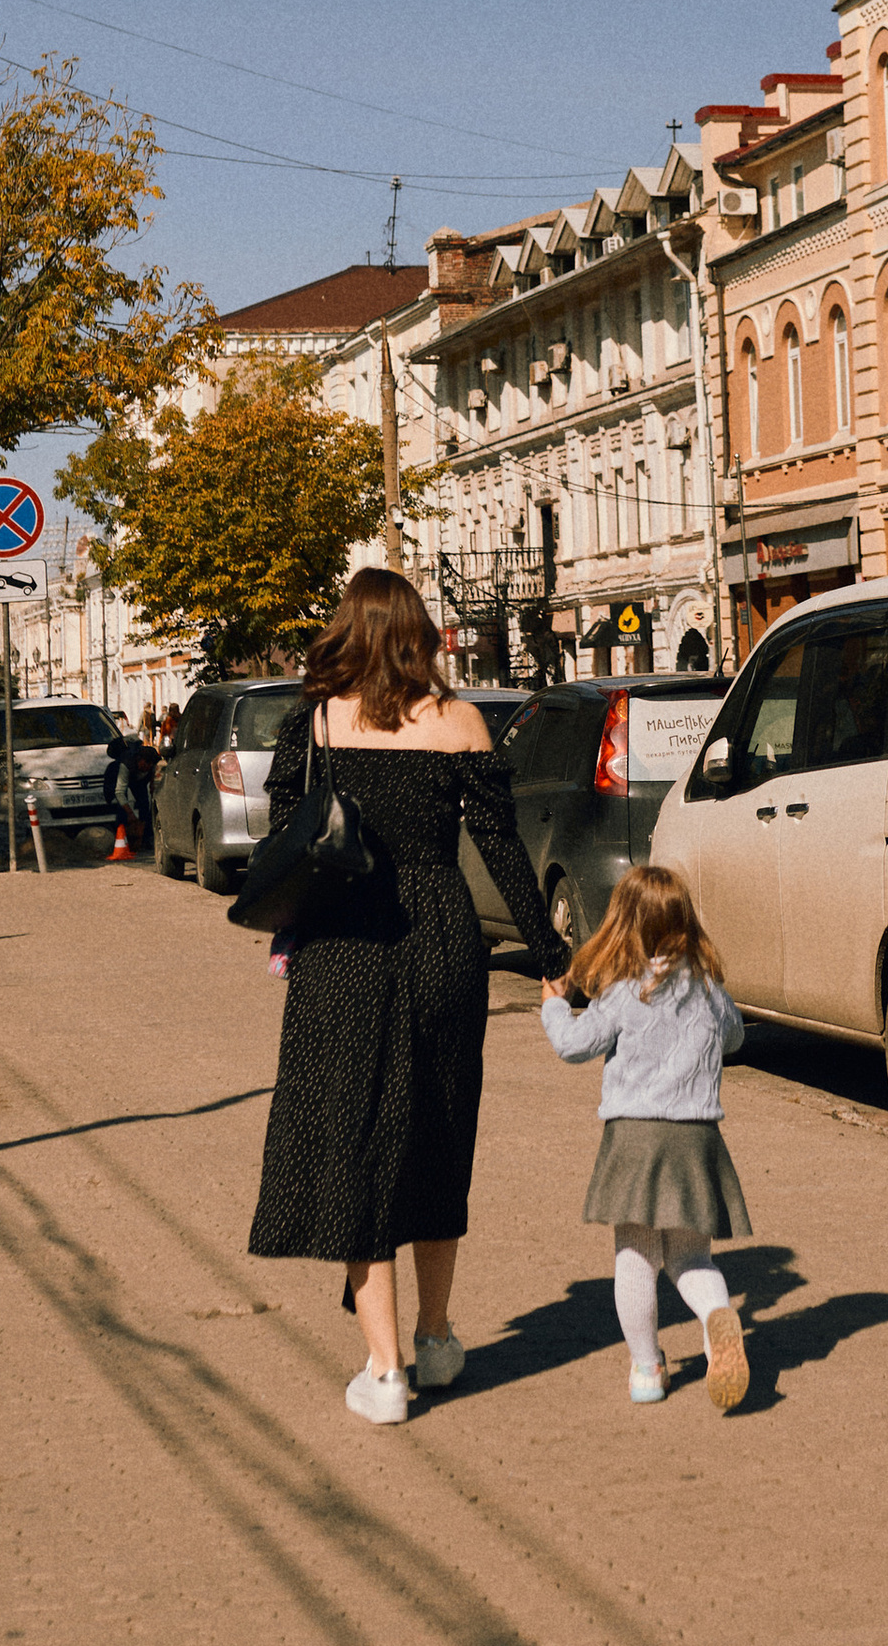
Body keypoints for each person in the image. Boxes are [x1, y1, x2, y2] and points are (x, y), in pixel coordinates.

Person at [247, 568, 557, 1425]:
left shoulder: (311, 722)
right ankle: (438, 1336)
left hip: (342, 946)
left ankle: (384, 1373)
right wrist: (552, 954)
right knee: (434, 1130)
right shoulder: (461, 722)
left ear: (348, 630)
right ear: (417, 632)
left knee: (351, 1143)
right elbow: (502, 852)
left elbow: (282, 837)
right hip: (441, 944)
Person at [540, 860, 752, 1413]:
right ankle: (714, 1320)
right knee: (690, 1256)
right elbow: (733, 1039)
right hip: (695, 1139)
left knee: (635, 1256)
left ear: (623, 924)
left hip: (634, 1140)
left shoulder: (620, 991)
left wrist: (553, 1006)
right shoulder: (706, 988)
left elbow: (575, 1046)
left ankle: (646, 1369)